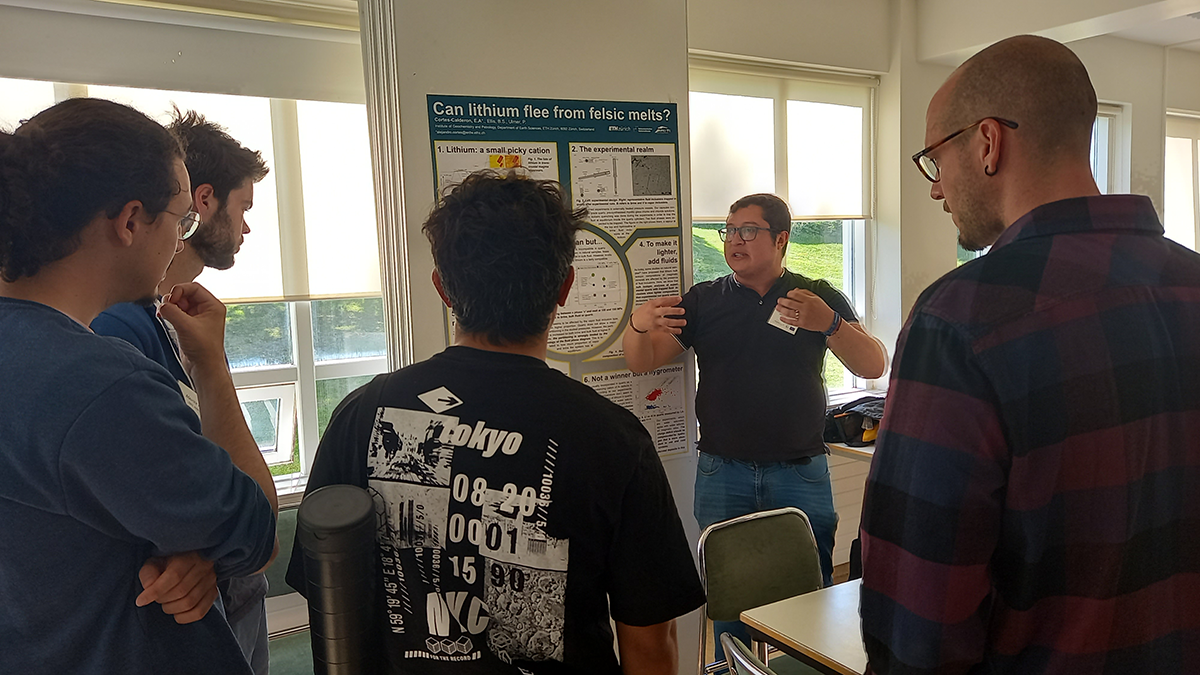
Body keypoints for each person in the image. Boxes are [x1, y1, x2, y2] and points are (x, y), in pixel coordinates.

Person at [860, 35, 1200, 674]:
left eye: (936, 159)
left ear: (988, 143)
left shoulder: (961, 321)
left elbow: (920, 623)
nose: (936, 191)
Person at [286, 170, 705, 675]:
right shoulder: (613, 438)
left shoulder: (361, 414)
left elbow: (329, 607)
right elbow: (649, 644)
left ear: (443, 288)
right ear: (565, 287)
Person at [0, 98, 277, 675]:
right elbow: (257, 536)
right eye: (178, 219)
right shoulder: (100, 384)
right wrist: (213, 369)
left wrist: (189, 546)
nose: (180, 240)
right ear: (129, 221)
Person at [623, 193, 887, 658]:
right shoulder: (705, 300)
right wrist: (639, 325)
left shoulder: (816, 295)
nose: (734, 241)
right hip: (722, 472)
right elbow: (643, 361)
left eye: (748, 230)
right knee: (729, 607)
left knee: (811, 603)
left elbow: (872, 364)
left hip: (800, 471)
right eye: (729, 231)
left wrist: (830, 324)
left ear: (781, 239)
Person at [91, 109, 271, 674]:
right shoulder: (117, 328)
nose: (246, 229)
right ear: (203, 200)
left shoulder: (176, 320)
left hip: (223, 581)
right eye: (242, 209)